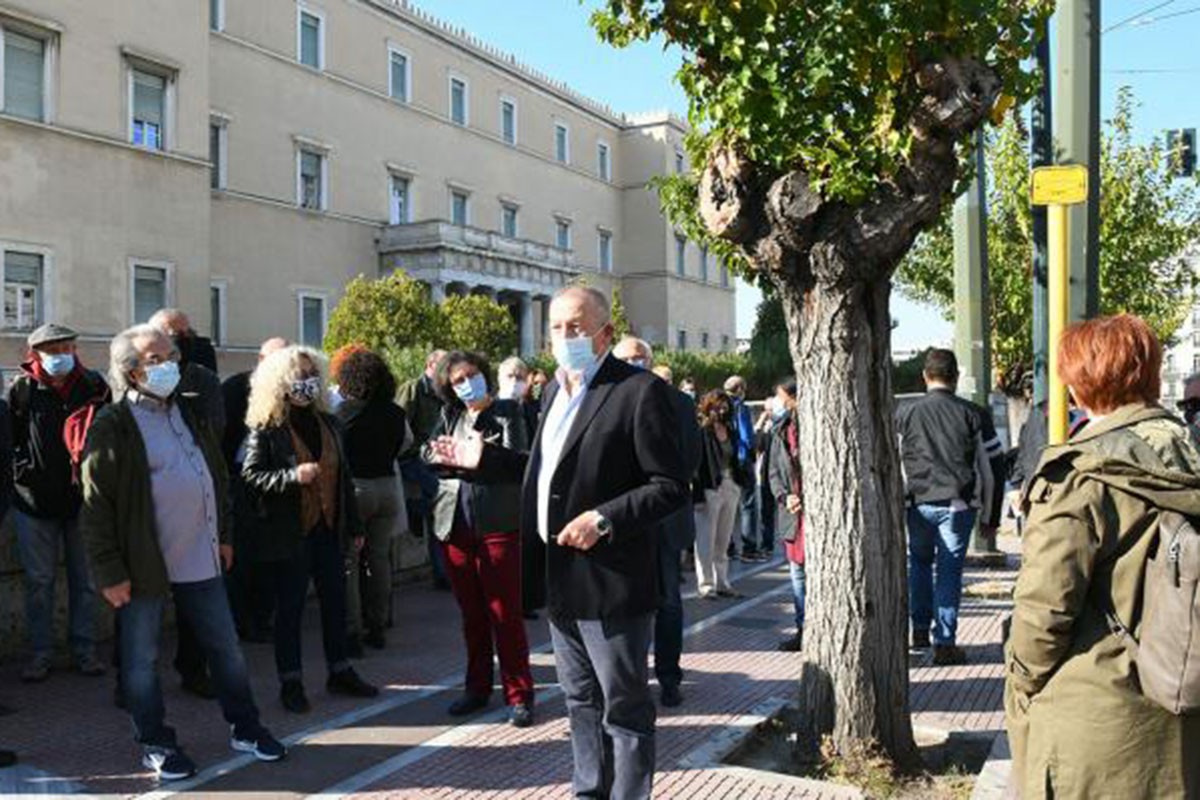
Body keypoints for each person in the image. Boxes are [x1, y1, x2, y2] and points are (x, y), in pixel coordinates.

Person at [429, 286, 688, 799]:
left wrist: (606, 519)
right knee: (579, 700)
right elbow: (545, 475)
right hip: (560, 576)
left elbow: (670, 486)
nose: (564, 337)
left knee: (625, 708)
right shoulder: (553, 392)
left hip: (612, 580)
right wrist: (488, 461)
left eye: (576, 327)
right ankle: (587, 790)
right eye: (555, 328)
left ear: (604, 334)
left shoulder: (637, 392)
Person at [1005, 314, 1200, 799]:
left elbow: (1045, 609)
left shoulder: (1079, 476)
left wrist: (1022, 682)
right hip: (1179, 707)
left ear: (1079, 387)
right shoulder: (1188, 454)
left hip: (1092, 718)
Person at [80, 325, 285, 780]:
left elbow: (215, 478)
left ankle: (246, 727)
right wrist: (109, 572)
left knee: (226, 649)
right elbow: (96, 507)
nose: (169, 364)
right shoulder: (113, 424)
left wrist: (225, 535)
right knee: (140, 660)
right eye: (155, 359)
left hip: (201, 553)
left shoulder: (189, 412)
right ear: (131, 373)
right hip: (143, 564)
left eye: (171, 354)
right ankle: (155, 741)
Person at [241, 346, 378, 713]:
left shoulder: (329, 422)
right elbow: (250, 475)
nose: (306, 382)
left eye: (310, 374)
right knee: (291, 610)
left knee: (336, 603)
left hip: (329, 528)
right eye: (298, 376)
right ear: (280, 382)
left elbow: (343, 478)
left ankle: (340, 670)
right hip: (290, 532)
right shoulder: (267, 427)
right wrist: (291, 476)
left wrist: (354, 525)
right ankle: (291, 681)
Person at [423, 351, 534, 727]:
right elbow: (428, 450)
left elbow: (522, 461)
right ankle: (477, 688)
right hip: (455, 525)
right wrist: (440, 454)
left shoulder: (507, 411)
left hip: (498, 523)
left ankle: (519, 694)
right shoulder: (450, 414)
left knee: (505, 613)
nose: (467, 383)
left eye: (472, 374)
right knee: (472, 615)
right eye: (457, 380)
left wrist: (480, 457)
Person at [8, 323, 109, 683]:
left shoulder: (94, 385)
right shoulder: (22, 389)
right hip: (32, 501)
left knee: (85, 581)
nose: (61, 355)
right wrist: (23, 471)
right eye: (53, 350)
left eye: (66, 347)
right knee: (39, 582)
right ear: (35, 355)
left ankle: (84, 649)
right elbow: (12, 439)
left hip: (83, 501)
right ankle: (40, 653)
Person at [896, 349, 1005, 665]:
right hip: (959, 505)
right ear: (955, 377)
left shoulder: (904, 413)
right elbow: (993, 466)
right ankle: (945, 642)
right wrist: (991, 516)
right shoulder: (974, 414)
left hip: (916, 503)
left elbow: (891, 461)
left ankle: (918, 631)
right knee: (949, 572)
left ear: (925, 376)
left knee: (917, 563)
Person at [613, 336, 701, 708]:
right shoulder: (605, 398)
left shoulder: (679, 403)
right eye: (628, 358)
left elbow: (690, 457)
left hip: (663, 517)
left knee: (667, 603)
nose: (635, 363)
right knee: (623, 604)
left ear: (651, 361)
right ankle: (628, 679)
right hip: (620, 518)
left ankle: (668, 677)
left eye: (640, 358)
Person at [149, 308, 225, 695]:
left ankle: (193, 670)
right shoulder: (134, 383)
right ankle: (130, 678)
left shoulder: (203, 380)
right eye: (170, 333)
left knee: (194, 598)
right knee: (141, 603)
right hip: (149, 510)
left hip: (194, 505)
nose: (179, 339)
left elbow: (215, 435)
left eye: (184, 333)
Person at [334, 348, 411, 654]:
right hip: (388, 488)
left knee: (350, 562)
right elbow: (404, 445)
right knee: (379, 559)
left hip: (357, 489)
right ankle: (377, 625)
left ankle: (353, 631)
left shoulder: (343, 414)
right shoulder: (395, 413)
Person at [221, 337, 289, 642]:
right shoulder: (236, 388)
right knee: (240, 556)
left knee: (270, 557)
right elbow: (222, 436)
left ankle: (263, 618)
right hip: (240, 482)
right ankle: (239, 620)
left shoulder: (289, 394)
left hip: (277, 481)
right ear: (261, 360)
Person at [398, 348, 449, 590]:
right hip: (415, 457)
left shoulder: (445, 391)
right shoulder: (414, 388)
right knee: (440, 499)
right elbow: (400, 424)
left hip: (438, 458)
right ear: (430, 365)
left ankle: (416, 510)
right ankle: (413, 511)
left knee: (440, 505)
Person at [693, 390, 745, 599]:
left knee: (723, 539)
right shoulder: (702, 431)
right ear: (708, 407)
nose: (722, 409)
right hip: (710, 488)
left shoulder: (730, 430)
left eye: (725, 406)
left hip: (730, 485)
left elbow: (736, 457)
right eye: (717, 406)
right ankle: (706, 585)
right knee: (706, 538)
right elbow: (696, 465)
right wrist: (697, 496)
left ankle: (722, 582)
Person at [767, 380, 804, 652]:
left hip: (812, 514)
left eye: (780, 397)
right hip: (792, 516)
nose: (777, 401)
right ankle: (803, 627)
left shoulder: (815, 428)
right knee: (797, 574)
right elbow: (773, 473)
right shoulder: (780, 430)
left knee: (811, 574)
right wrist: (784, 496)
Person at [723, 375, 759, 561]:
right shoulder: (740, 408)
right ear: (740, 390)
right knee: (748, 504)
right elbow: (746, 435)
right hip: (742, 459)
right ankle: (749, 547)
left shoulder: (719, 406)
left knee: (728, 505)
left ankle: (727, 546)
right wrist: (752, 452)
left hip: (724, 459)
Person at [497, 355, 541, 435]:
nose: (514, 381)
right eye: (509, 376)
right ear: (500, 378)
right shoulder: (488, 409)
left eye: (519, 378)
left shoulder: (531, 410)